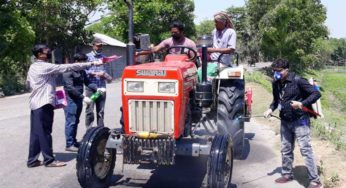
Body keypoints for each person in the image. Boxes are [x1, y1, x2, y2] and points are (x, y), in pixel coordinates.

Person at [26, 44, 107, 168]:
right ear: (40, 54)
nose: (49, 52)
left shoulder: (33, 67)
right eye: (47, 51)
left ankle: (32, 160)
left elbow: (28, 83)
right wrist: (92, 63)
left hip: (35, 103)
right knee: (45, 132)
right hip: (43, 103)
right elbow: (68, 67)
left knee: (36, 133)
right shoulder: (44, 66)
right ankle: (49, 160)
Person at [263, 58, 323, 188]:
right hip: (285, 121)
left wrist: (301, 104)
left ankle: (315, 181)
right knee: (285, 149)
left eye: (278, 71)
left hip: (300, 120)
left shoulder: (298, 80)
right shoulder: (276, 83)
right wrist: (270, 109)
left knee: (305, 150)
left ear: (286, 70)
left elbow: (316, 93)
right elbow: (276, 100)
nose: (275, 74)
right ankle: (287, 174)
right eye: (274, 71)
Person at [62, 53, 97, 152]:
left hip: (78, 99)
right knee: (71, 122)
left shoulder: (81, 71)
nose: (84, 63)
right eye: (83, 61)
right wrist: (83, 97)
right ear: (77, 61)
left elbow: (87, 82)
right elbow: (69, 87)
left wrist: (97, 88)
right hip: (70, 99)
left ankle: (73, 141)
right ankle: (69, 144)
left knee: (76, 121)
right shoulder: (68, 71)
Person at [85, 38, 112, 129]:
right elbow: (84, 72)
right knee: (90, 110)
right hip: (91, 89)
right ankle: (89, 131)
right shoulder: (87, 57)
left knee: (101, 111)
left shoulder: (104, 58)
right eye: (98, 46)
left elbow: (109, 74)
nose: (100, 47)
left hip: (101, 89)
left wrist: (105, 75)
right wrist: (95, 73)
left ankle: (100, 130)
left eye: (101, 46)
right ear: (93, 46)